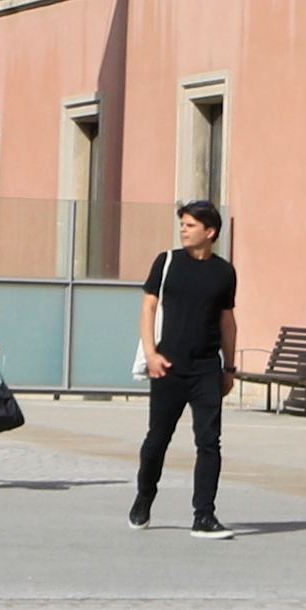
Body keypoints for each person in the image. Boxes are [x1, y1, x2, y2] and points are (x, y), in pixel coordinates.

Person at [128, 198, 237, 538]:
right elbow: (148, 308)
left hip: (206, 367)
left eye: (190, 225)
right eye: (182, 225)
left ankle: (203, 515)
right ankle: (144, 497)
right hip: (168, 365)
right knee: (157, 439)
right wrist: (151, 354)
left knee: (209, 441)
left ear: (210, 231)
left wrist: (229, 368)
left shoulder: (224, 272)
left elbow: (227, 321)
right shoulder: (168, 262)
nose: (183, 231)